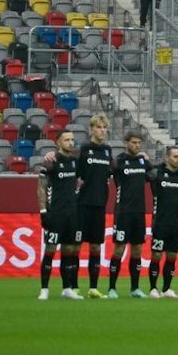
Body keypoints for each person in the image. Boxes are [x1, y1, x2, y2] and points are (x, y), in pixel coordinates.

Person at [105, 131, 153, 297]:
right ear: (126, 143)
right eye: (134, 142)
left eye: (139, 143)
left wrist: (149, 161)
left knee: (137, 250)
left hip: (139, 212)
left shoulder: (142, 161)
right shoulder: (119, 162)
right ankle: (112, 288)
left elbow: (154, 175)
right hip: (123, 211)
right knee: (119, 249)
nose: (137, 145)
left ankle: (135, 288)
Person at [37, 133, 84, 300]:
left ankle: (67, 288)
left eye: (72, 140)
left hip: (72, 214)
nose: (70, 142)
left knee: (69, 251)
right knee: (50, 250)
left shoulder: (75, 162)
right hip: (56, 213)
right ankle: (44, 289)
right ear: (58, 142)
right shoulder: (51, 161)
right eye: (67, 140)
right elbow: (41, 187)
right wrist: (43, 211)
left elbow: (80, 181)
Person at [73, 116, 114, 296]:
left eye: (105, 127)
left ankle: (93, 287)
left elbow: (113, 171)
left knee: (96, 247)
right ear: (91, 129)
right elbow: (75, 173)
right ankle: (72, 286)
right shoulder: (84, 149)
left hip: (99, 205)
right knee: (75, 246)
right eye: (99, 127)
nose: (102, 130)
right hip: (82, 205)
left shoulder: (107, 151)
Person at [149, 145, 178, 297]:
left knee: (172, 256)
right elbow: (148, 172)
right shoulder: (157, 173)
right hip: (160, 222)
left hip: (176, 223)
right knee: (157, 255)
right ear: (167, 158)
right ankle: (153, 288)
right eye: (175, 157)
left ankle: (166, 289)